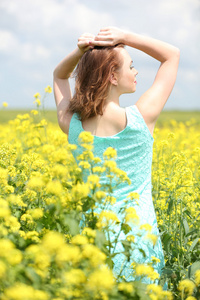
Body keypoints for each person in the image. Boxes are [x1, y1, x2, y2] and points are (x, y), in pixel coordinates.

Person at [53, 27, 180, 289]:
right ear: (112, 76)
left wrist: (81, 51)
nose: (135, 73)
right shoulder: (141, 119)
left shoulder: (71, 124)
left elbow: (59, 75)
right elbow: (172, 55)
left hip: (94, 244)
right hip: (140, 245)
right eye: (131, 67)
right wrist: (125, 37)